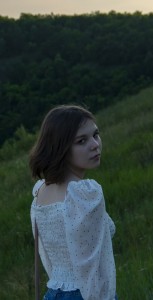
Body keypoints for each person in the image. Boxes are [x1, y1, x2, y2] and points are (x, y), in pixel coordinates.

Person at [29, 105, 117, 300]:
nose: (95, 144)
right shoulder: (84, 194)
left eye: (96, 135)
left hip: (54, 294)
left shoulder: (41, 192)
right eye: (81, 141)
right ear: (60, 148)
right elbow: (90, 267)